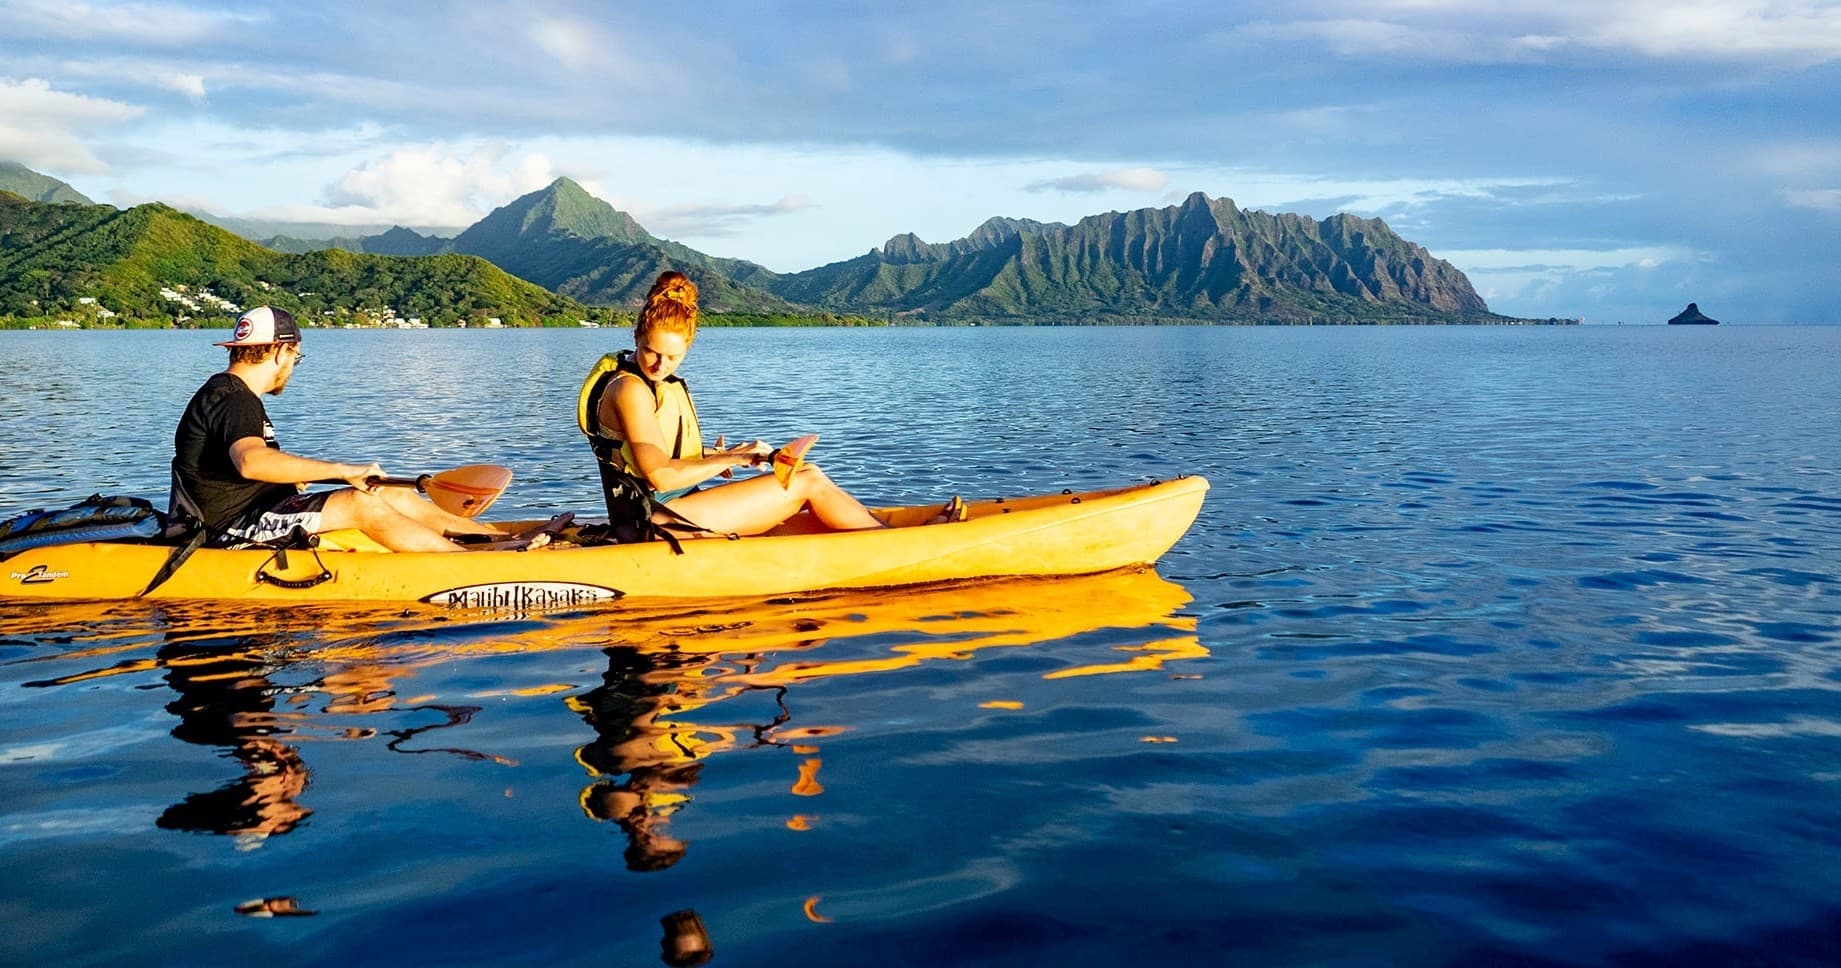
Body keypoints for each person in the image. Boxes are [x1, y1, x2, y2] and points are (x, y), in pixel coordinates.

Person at [579, 271, 958, 539]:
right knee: (808, 480)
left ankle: (881, 534)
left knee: (808, 509)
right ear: (637, 337)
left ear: (688, 348)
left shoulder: (652, 382)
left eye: (673, 357)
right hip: (654, 521)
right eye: (651, 352)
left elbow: (659, 456)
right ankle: (897, 546)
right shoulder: (629, 389)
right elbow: (659, 476)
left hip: (680, 507)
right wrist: (731, 459)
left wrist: (718, 455)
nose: (661, 365)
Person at [171, 306, 507, 553]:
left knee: (386, 491)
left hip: (253, 511)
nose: (291, 368)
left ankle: (494, 538)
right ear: (280, 351)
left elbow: (241, 470)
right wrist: (343, 470)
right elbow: (251, 462)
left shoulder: (227, 394)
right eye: (295, 358)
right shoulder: (234, 399)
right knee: (362, 505)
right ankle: (465, 563)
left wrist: (296, 477)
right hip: (232, 528)